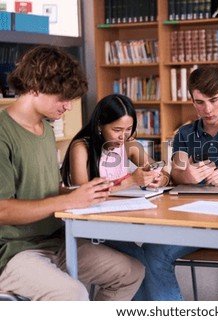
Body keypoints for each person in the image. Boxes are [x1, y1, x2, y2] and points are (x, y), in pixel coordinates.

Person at [0, 45, 144, 300]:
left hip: (56, 241)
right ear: (35, 87)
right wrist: (68, 199)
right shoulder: (3, 132)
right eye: (62, 98)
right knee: (73, 295)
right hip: (12, 251)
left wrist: (85, 192)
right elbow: (3, 209)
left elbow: (46, 189)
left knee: (131, 272)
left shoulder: (45, 131)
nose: (68, 106)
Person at [143, 65, 218, 300]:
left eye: (214, 100)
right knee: (152, 252)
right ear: (192, 101)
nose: (207, 109)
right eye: (200, 102)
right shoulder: (184, 134)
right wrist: (186, 175)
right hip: (194, 222)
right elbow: (177, 172)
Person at [60, 93, 170, 300]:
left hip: (119, 221)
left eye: (128, 129)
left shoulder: (129, 145)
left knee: (151, 255)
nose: (123, 136)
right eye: (117, 130)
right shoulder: (81, 147)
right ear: (100, 125)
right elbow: (82, 193)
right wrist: (129, 181)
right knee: (141, 259)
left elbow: (161, 170)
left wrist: (158, 179)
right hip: (90, 227)